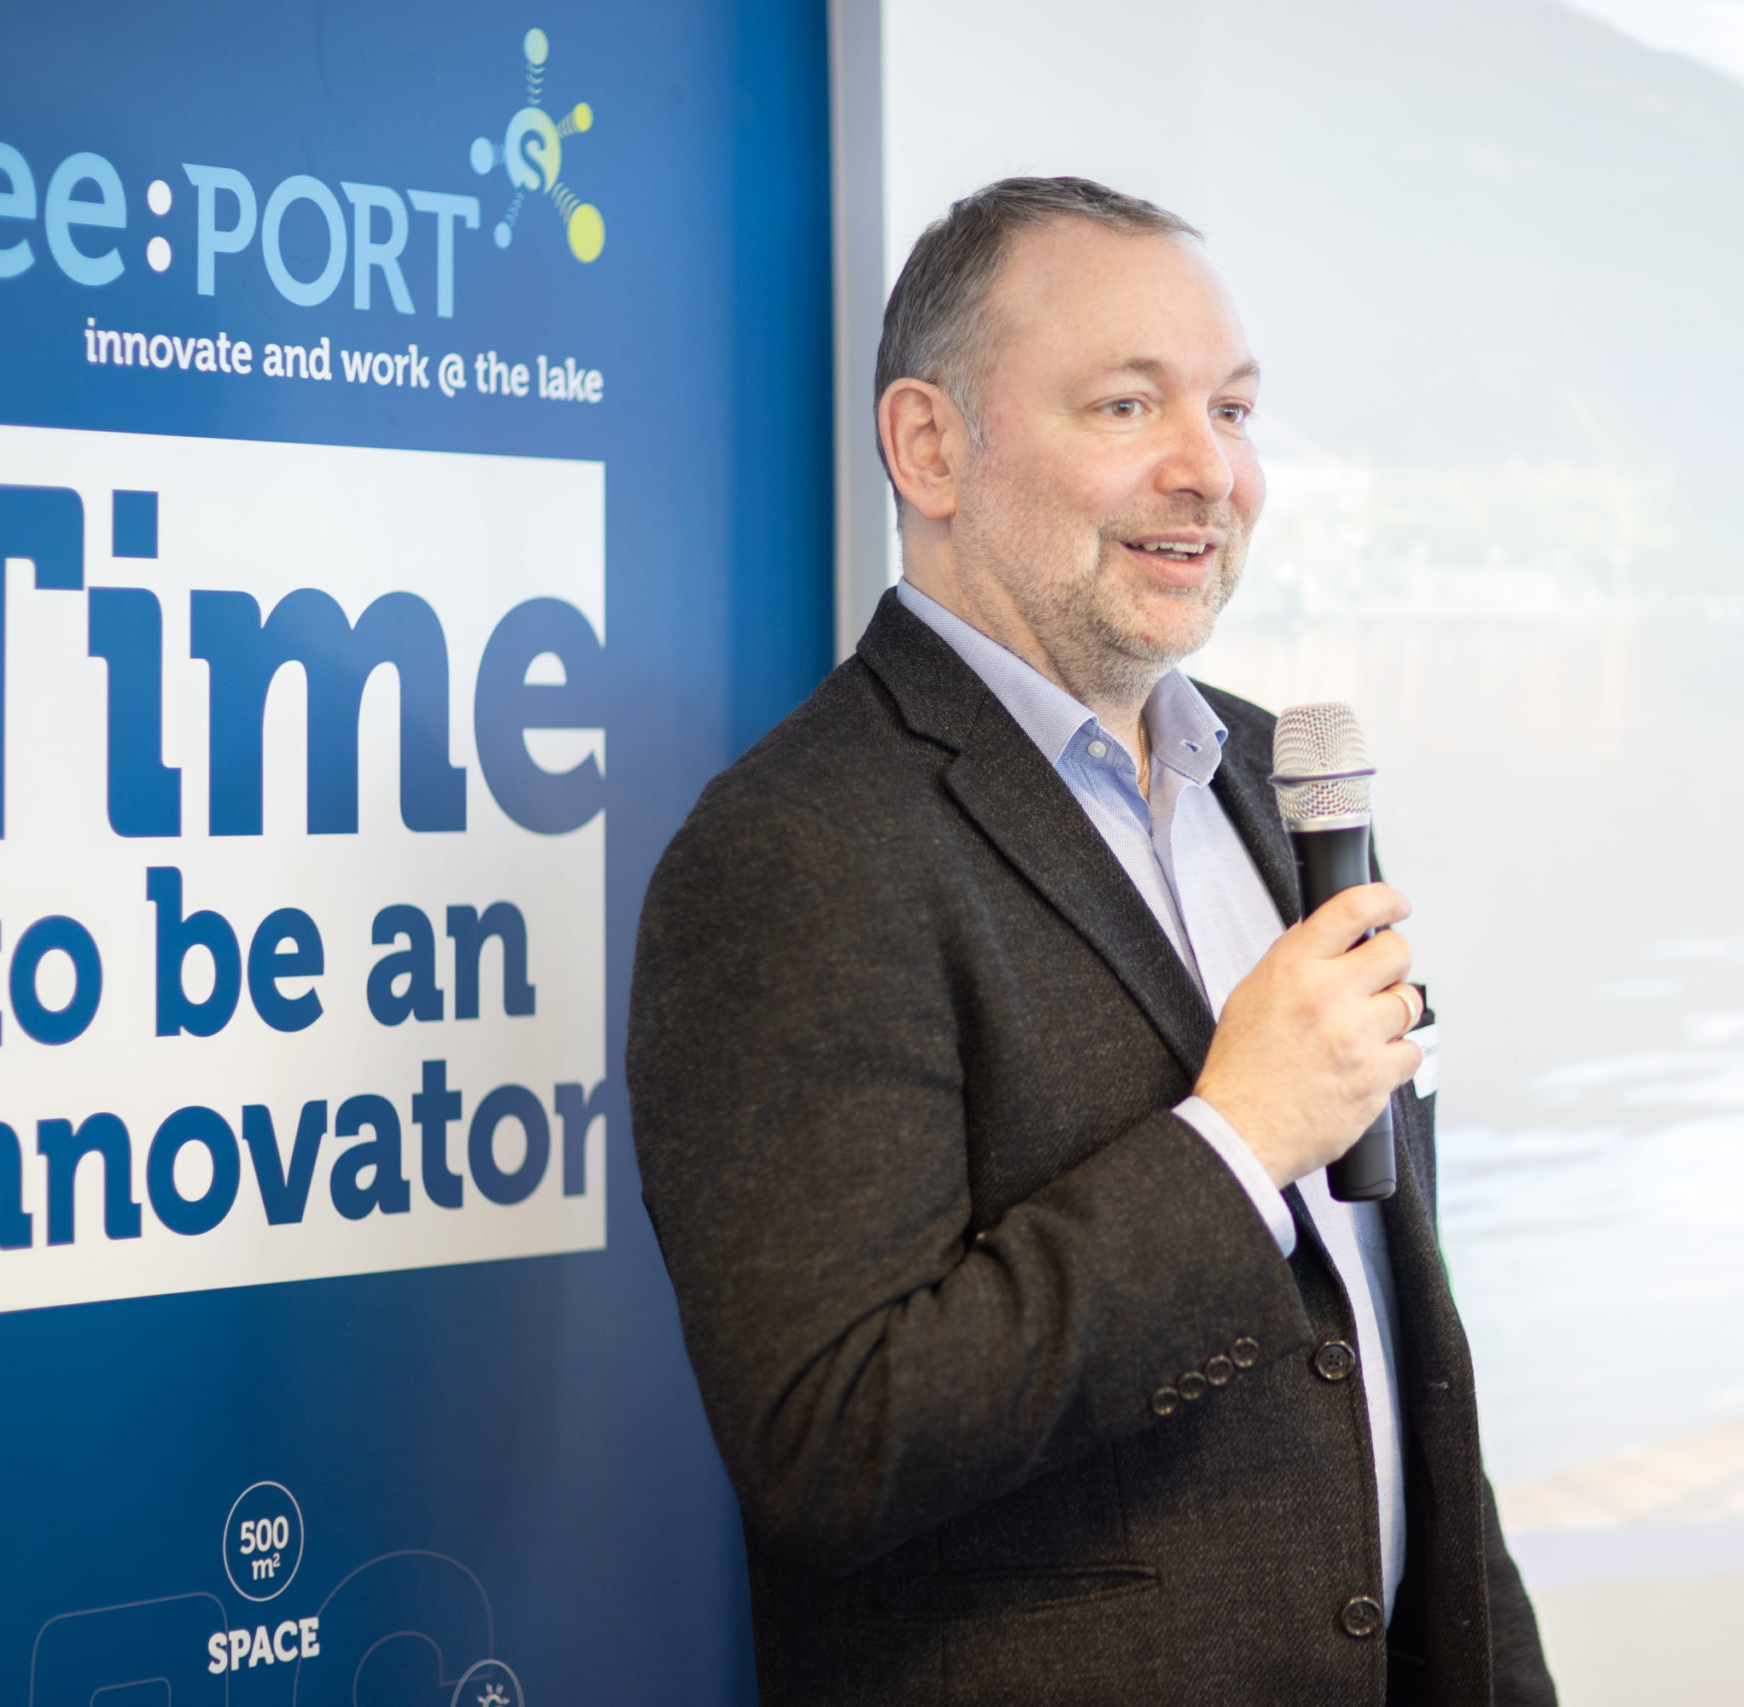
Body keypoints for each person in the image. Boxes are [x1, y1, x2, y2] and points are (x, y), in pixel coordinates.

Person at [629, 176, 1555, 1705]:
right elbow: (837, 1443)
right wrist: (1238, 1142)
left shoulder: (1281, 784)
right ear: (930, 447)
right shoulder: (797, 850)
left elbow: (1395, 1352)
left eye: (1234, 410)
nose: (1211, 471)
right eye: (1130, 406)